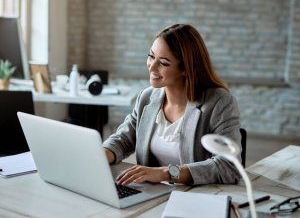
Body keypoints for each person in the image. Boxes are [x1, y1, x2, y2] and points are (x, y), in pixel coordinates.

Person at [103, 23, 241, 186]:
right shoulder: (147, 98)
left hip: (197, 197)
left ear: (185, 68)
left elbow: (229, 166)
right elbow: (124, 140)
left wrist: (166, 173)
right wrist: (100, 155)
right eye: (151, 56)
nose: (151, 66)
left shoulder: (220, 103)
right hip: (153, 194)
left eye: (163, 62)